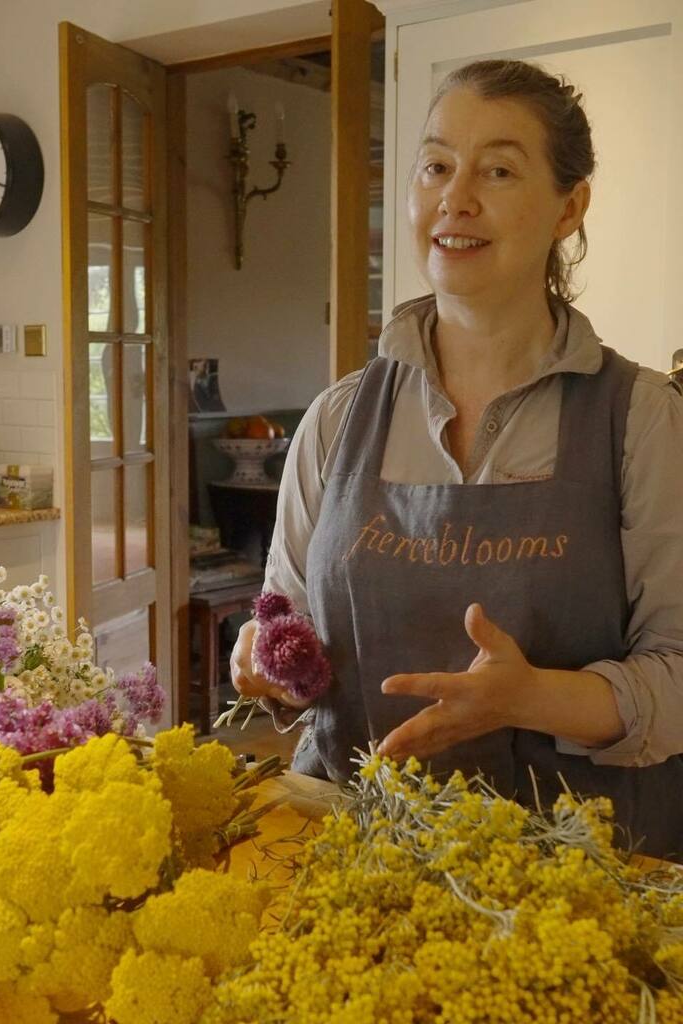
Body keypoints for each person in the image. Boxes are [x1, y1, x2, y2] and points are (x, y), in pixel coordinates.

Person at [230, 59, 683, 859]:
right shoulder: (338, 419)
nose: (455, 198)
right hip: (352, 852)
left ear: (568, 207)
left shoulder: (639, 419)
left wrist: (532, 697)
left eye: (498, 170)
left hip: (573, 880)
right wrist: (264, 660)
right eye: (436, 165)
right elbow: (283, 615)